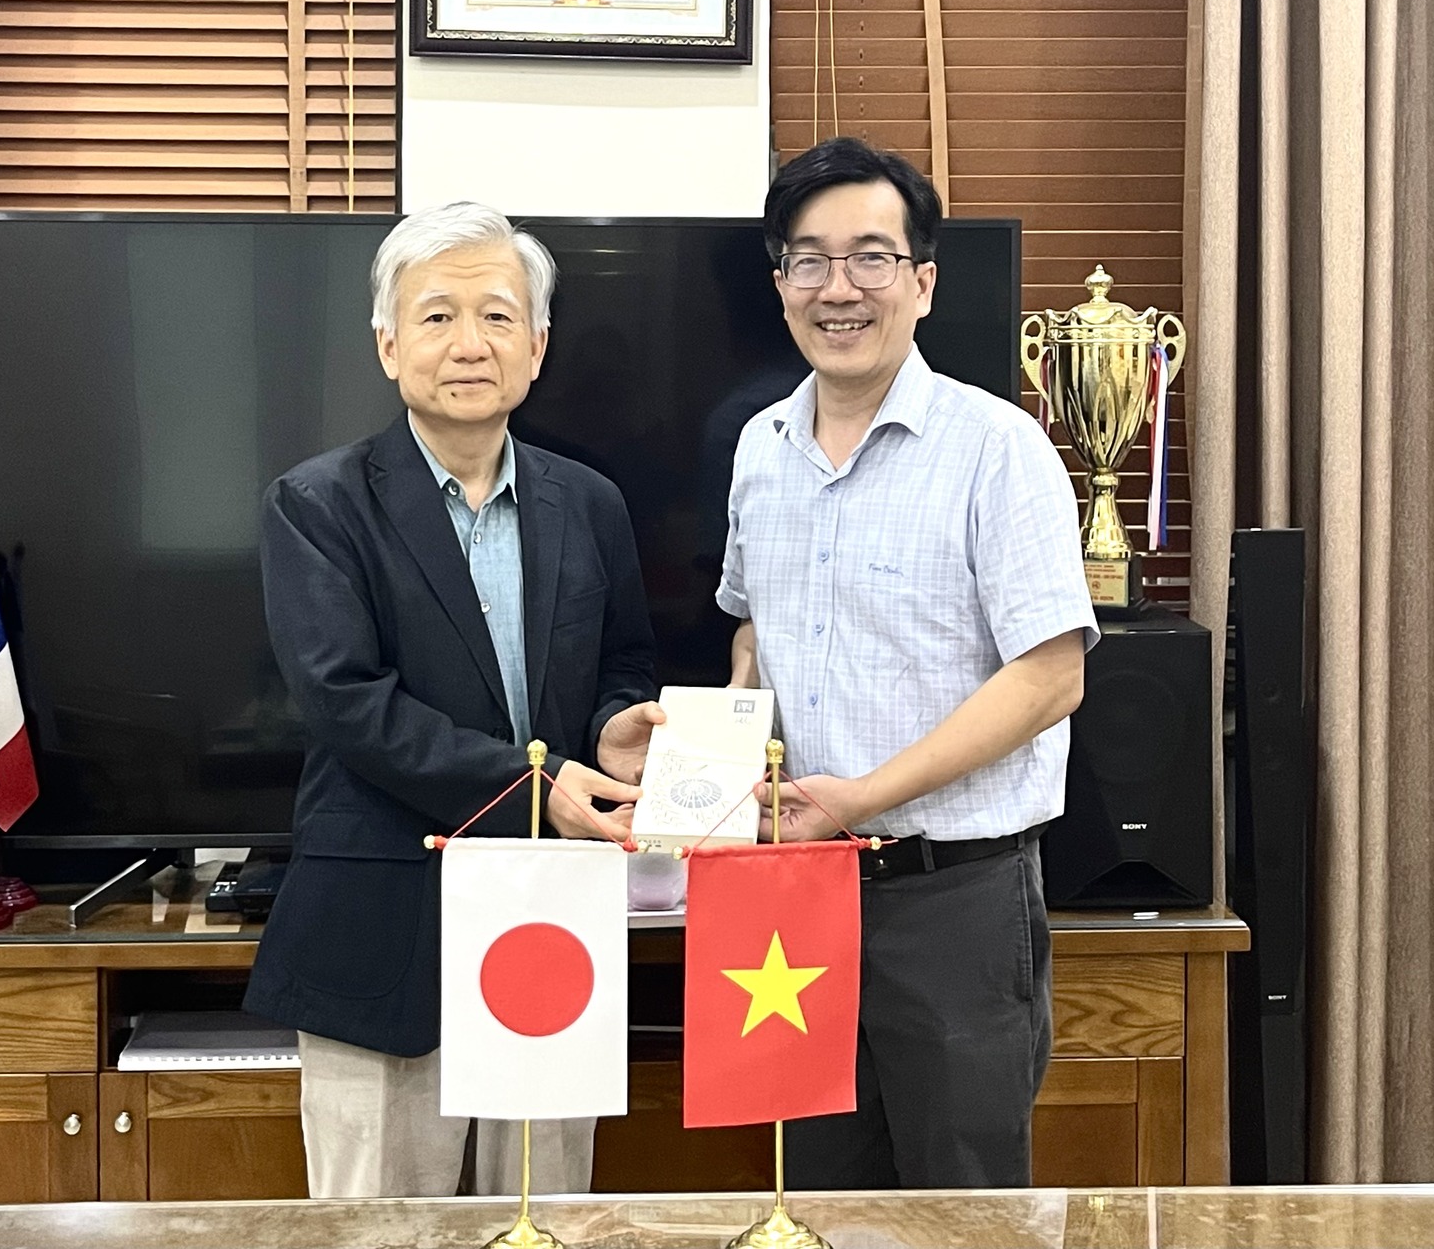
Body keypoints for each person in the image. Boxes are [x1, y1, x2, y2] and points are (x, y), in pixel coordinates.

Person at [247, 202, 663, 1198]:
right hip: (381, 927)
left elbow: (623, 663)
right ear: (389, 345)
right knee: (379, 1225)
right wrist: (539, 789)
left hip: (552, 926)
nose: (469, 344)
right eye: (437, 316)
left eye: (497, 316)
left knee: (544, 1215)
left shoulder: (591, 503)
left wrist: (616, 726)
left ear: (537, 347)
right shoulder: (317, 504)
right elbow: (348, 704)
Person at [716, 136, 1097, 1189]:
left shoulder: (997, 449)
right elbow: (751, 633)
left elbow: (1050, 677)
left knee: (960, 1208)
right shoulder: (757, 448)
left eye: (871, 258)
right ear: (780, 283)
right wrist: (715, 751)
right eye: (809, 260)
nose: (838, 288)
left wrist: (863, 798)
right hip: (792, 897)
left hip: (952, 902)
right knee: (813, 1199)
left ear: (921, 283)